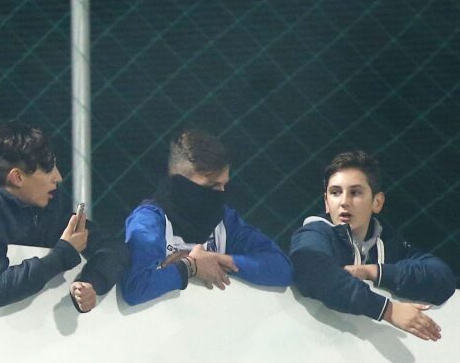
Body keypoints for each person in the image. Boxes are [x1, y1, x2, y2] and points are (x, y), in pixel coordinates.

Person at [0, 122, 128, 311]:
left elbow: (115, 248)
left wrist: (90, 283)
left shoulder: (48, 200)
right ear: (17, 177)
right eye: (48, 169)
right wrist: (63, 254)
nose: (58, 177)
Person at [290, 150, 455, 342]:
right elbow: (315, 273)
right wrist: (388, 310)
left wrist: (373, 271)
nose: (344, 202)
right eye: (335, 193)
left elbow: (442, 278)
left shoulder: (389, 242)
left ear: (377, 202)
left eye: (355, 192)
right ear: (326, 202)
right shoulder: (314, 234)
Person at [121, 128, 291, 304]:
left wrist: (216, 259)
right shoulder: (149, 220)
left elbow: (282, 268)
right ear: (181, 184)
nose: (220, 194)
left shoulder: (224, 219)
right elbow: (136, 287)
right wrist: (191, 266)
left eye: (223, 186)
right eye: (211, 187)